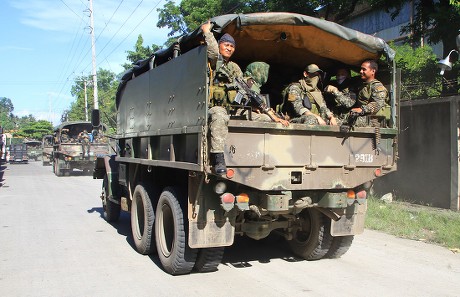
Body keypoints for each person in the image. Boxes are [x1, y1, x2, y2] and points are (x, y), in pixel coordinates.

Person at [201, 20, 243, 174]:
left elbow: (242, 88)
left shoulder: (234, 68)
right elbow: (212, 50)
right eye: (226, 44)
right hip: (213, 109)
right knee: (219, 115)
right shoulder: (213, 61)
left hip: (233, 109)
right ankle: (218, 158)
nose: (229, 48)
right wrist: (207, 32)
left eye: (232, 46)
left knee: (261, 119)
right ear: (220, 45)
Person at [234, 61, 289, 127]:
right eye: (262, 72)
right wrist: (273, 116)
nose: (264, 74)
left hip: (244, 111)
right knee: (267, 118)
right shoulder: (249, 82)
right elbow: (257, 100)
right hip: (239, 112)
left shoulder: (251, 84)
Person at [350, 59, 389, 127]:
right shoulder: (363, 86)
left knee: (345, 120)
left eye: (364, 69)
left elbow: (377, 103)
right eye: (361, 69)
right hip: (365, 117)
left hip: (374, 120)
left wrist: (362, 109)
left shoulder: (378, 87)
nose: (361, 71)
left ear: (373, 71)